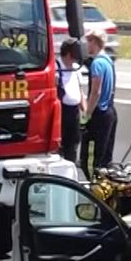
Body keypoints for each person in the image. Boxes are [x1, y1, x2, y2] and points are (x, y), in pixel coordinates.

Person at [82, 31, 118, 176]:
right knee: (105, 157)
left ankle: (92, 189)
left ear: (94, 42)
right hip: (110, 112)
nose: (87, 45)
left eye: (89, 41)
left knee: (90, 160)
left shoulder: (97, 64)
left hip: (99, 115)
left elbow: (95, 92)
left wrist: (87, 115)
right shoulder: (108, 61)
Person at [57, 39, 83, 171]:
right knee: (60, 146)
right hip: (62, 113)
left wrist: (84, 111)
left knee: (73, 145)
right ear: (67, 55)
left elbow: (80, 89)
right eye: (73, 58)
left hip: (74, 113)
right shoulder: (57, 67)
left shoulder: (75, 69)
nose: (74, 61)